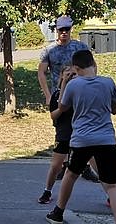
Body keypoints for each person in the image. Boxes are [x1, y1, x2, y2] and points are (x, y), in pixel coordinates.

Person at [45, 49, 116, 224]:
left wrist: (65, 82)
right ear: (94, 64)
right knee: (112, 186)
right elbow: (115, 109)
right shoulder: (108, 82)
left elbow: (62, 106)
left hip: (81, 140)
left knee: (70, 174)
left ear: (76, 68)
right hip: (106, 140)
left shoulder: (74, 85)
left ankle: (58, 213)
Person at [37, 15, 99, 183]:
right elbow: (41, 72)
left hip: (80, 95)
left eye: (67, 29)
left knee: (82, 128)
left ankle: (84, 166)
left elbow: (93, 66)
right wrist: (48, 95)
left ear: (71, 29)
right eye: (61, 30)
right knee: (62, 130)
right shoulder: (49, 50)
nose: (64, 32)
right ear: (56, 30)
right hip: (60, 95)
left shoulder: (80, 47)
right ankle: (64, 165)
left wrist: (91, 85)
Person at [39, 66, 110, 207]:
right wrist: (64, 86)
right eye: (68, 75)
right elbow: (54, 115)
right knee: (55, 166)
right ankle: (47, 191)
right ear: (62, 76)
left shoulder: (81, 92)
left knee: (97, 165)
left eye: (74, 74)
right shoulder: (57, 94)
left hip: (82, 134)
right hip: (64, 134)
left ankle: (110, 194)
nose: (72, 77)